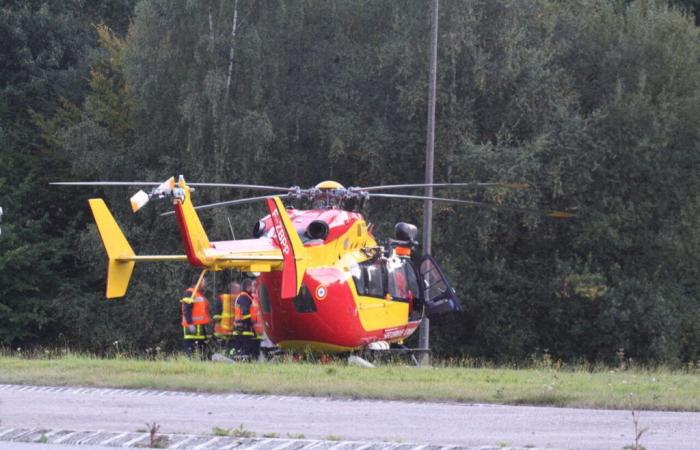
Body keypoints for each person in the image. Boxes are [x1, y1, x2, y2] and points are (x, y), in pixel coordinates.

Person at [181, 274, 211, 356]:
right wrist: (190, 324)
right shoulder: (189, 292)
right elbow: (186, 309)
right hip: (191, 328)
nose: (206, 284)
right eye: (204, 281)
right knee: (190, 351)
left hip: (199, 329)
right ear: (199, 282)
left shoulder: (199, 294)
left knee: (202, 351)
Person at [233, 278, 261, 359]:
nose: (253, 288)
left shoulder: (247, 297)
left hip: (245, 329)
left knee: (248, 350)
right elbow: (245, 313)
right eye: (252, 286)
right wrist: (250, 323)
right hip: (244, 329)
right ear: (248, 287)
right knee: (245, 351)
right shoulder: (244, 297)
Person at [213, 281, 240, 354]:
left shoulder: (238, 298)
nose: (240, 290)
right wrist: (217, 325)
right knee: (224, 347)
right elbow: (216, 313)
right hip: (224, 329)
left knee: (231, 348)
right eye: (238, 289)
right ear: (232, 289)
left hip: (233, 329)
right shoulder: (223, 298)